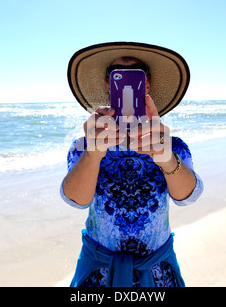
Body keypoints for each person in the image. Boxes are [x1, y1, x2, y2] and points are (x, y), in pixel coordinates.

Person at [60, 42, 204, 287]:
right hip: (99, 273)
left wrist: (166, 157)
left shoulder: (171, 144)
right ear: (108, 84)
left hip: (157, 272)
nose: (127, 77)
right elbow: (75, 200)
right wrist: (94, 153)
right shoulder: (84, 145)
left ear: (147, 83)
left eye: (137, 71)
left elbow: (188, 197)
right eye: (117, 72)